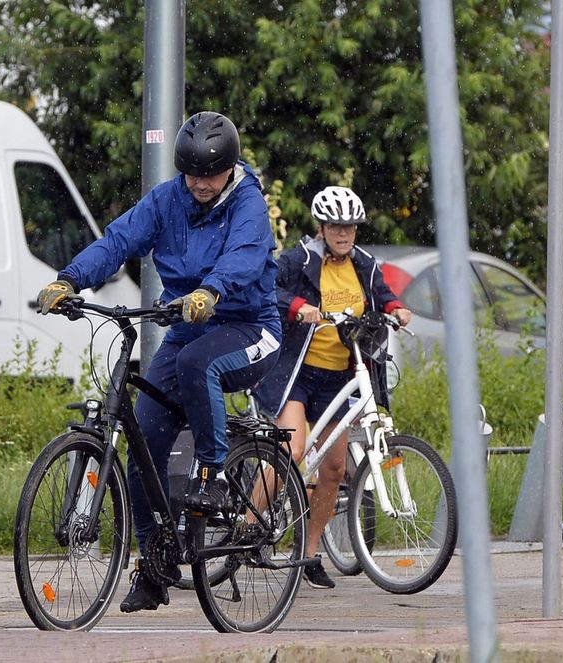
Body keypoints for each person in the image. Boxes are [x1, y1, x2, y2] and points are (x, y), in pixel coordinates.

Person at [36, 111, 282, 612]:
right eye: (190, 173)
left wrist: (210, 290)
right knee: (141, 443)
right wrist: (70, 280)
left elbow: (244, 256)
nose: (198, 184)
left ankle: (212, 473)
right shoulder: (169, 199)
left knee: (198, 365)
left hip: (250, 326)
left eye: (208, 175)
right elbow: (120, 240)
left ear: (229, 169)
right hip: (190, 324)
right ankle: (154, 565)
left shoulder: (248, 204)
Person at [254, 185, 411, 589]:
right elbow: (267, 289)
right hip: (297, 373)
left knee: (334, 468)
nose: (343, 233)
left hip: (341, 375)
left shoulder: (365, 266)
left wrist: (397, 310)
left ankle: (307, 554)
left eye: (350, 227)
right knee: (291, 449)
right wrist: (299, 308)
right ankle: (246, 528)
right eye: (336, 226)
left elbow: (384, 295)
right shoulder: (300, 259)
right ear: (321, 227)